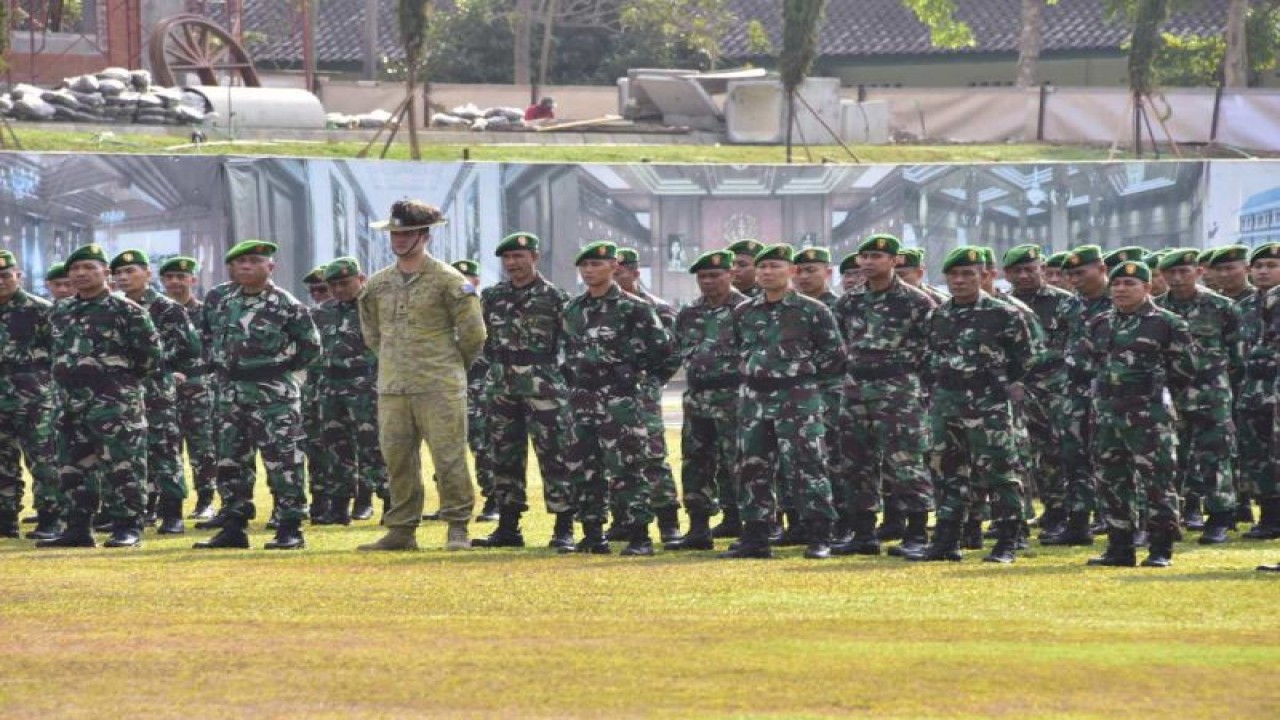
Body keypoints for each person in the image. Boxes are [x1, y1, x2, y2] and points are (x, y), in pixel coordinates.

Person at [357, 200, 486, 552]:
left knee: (448, 457)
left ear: (424, 235)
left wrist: (447, 365)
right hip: (394, 386)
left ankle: (457, 526)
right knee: (397, 458)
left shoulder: (449, 281)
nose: (399, 240)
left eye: (407, 233)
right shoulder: (378, 284)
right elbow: (371, 333)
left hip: (439, 385)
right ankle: (401, 529)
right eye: (395, 233)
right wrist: (393, 362)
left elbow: (474, 334)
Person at [909, 246, 1033, 564]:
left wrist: (1000, 388)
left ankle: (1007, 539)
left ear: (984, 276)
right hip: (946, 405)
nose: (960, 281)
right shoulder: (939, 314)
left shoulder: (1003, 314)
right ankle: (947, 539)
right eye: (954, 275)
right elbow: (927, 357)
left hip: (988, 406)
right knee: (946, 473)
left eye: (968, 274)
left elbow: (1023, 358)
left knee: (999, 473)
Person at [195, 241, 320, 551]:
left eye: (253, 261)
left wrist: (280, 369)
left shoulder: (286, 304)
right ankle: (234, 526)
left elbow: (311, 347)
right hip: (231, 393)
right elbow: (209, 339)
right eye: (239, 263)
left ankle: (289, 527)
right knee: (231, 462)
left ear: (270, 267)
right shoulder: (223, 303)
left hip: (273, 394)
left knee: (283, 461)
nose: (245, 267)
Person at [721, 243, 842, 560]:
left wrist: (814, 392)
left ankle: (819, 536)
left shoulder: (813, 311)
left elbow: (834, 357)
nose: (767, 272)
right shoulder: (743, 312)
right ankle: (756, 537)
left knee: (807, 467)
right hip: (754, 400)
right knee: (752, 468)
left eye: (775, 266)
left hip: (797, 399)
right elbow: (740, 351)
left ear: (792, 271)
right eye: (762, 268)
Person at [36, 243, 161, 549]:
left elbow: (149, 357)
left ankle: (127, 526)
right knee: (72, 466)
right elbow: (52, 352)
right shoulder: (61, 312)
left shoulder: (126, 310)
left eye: (88, 268)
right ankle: (78, 527)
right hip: (69, 403)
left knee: (123, 464)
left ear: (106, 273)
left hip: (114, 404)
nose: (80, 274)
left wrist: (118, 385)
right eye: (75, 269)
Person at [1073, 259, 1196, 567]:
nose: (1121, 289)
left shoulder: (1168, 323)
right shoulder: (1100, 322)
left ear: (1148, 287)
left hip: (1148, 416)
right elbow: (1085, 363)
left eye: (1130, 284)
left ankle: (1160, 549)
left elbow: (1184, 370)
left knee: (1157, 483)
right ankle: (1119, 548)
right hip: (1107, 415)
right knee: (1111, 482)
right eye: (1116, 284)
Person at [560, 241, 674, 556]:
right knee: (584, 469)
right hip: (583, 399)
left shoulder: (634, 307)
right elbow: (565, 351)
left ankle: (639, 536)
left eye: (596, 265)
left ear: (614, 267)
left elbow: (663, 350)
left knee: (628, 468)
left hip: (621, 400)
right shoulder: (572, 309)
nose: (589, 271)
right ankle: (593, 535)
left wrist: (639, 377)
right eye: (584, 266)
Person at [831, 234, 936, 558]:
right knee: (856, 464)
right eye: (864, 257)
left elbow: (934, 346)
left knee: (906, 463)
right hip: (856, 390)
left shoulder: (917, 302)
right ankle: (863, 533)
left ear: (894, 261)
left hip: (899, 391)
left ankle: (917, 533)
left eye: (877, 256)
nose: (868, 262)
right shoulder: (848, 301)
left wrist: (916, 382)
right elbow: (839, 345)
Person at [470, 233, 576, 550]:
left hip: (543, 385)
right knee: (503, 457)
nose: (513, 263)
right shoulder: (492, 297)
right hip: (502, 386)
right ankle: (507, 526)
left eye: (519, 256)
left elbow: (572, 343)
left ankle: (564, 527)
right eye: (508, 258)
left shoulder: (555, 297)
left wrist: (565, 382)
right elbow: (482, 340)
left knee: (555, 456)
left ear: (535, 257)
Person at [1154, 249, 1242, 544]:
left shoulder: (1222, 307)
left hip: (1211, 396)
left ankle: (1219, 519)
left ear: (1199, 271)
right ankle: (1169, 520)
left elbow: (1237, 355)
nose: (1177, 279)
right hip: (1171, 397)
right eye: (1171, 273)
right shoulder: (1156, 310)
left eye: (1184, 272)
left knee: (1215, 458)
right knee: (1169, 461)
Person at [111, 250, 201, 535]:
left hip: (156, 391)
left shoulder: (167, 308)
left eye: (131, 272)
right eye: (119, 273)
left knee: (164, 451)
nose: (124, 278)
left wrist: (165, 369)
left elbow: (190, 349)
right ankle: (138, 510)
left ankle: (172, 513)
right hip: (123, 392)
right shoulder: (113, 307)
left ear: (147, 275)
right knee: (130, 453)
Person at [667, 249, 747, 551]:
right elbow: (674, 352)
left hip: (734, 398)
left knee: (739, 464)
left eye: (715, 275)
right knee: (695, 464)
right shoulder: (690, 313)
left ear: (730, 274)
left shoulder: (746, 309)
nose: (708, 282)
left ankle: (745, 525)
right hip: (698, 398)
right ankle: (698, 528)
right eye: (702, 277)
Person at [1002, 243, 1082, 542]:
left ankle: (1059, 513)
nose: (1023, 275)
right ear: (1006, 273)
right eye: (1016, 271)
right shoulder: (1004, 305)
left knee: (1055, 454)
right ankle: (1018, 515)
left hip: (1053, 390)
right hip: (1013, 392)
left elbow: (1075, 346)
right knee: (1018, 455)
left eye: (1029, 269)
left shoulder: (1064, 303)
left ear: (1042, 268)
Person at [614, 247, 684, 544]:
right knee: (614, 456)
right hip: (607, 393)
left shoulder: (657, 308)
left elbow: (671, 354)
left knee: (653, 455)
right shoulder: (599, 306)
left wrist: (651, 381)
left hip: (642, 392)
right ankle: (621, 518)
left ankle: (668, 521)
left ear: (634, 273)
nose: (614, 277)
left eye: (620, 272)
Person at [312, 257, 387, 527]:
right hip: (331, 387)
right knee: (335, 448)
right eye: (333, 285)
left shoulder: (375, 308)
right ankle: (339, 506)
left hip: (367, 385)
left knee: (375, 447)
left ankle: (389, 501)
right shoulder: (322, 312)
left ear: (361, 279)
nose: (339, 290)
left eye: (344, 283)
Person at [0, 250, 59, 539]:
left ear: (18, 275)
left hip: (34, 398)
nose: (0, 281)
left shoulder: (41, 310)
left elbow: (60, 353)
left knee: (43, 460)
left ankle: (50, 520)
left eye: (4, 275)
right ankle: (5, 520)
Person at [1057, 244, 1112, 545]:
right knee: (1074, 457)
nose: (1075, 279)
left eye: (1081, 272)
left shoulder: (1121, 299)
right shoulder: (1070, 305)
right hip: (1076, 391)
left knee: (1118, 458)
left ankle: (1134, 523)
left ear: (1101, 269)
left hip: (1112, 392)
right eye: (1071, 274)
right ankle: (1078, 523)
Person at [159, 256, 219, 521]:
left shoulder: (206, 313)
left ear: (192, 280)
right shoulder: (156, 312)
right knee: (165, 446)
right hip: (162, 388)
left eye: (180, 277)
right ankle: (165, 501)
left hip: (198, 387)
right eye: (169, 277)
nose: (174, 282)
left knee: (201, 448)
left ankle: (205, 500)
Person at [451, 258, 499, 524]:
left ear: (476, 282)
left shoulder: (485, 309)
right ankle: (451, 501)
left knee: (482, 445)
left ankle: (493, 500)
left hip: (479, 383)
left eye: (466, 279)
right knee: (446, 445)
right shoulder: (440, 311)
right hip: (447, 383)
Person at [1239, 243, 1280, 541]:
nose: (1264, 271)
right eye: (1259, 266)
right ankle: (1269, 518)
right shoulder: (1245, 306)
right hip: (1253, 393)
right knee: (1258, 458)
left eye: (1271, 265)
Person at [301, 266, 338, 525]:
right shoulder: (310, 316)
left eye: (322, 289)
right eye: (313, 290)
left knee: (347, 448)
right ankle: (320, 500)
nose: (317, 295)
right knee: (315, 447)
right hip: (315, 390)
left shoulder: (358, 314)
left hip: (349, 388)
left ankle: (360, 499)